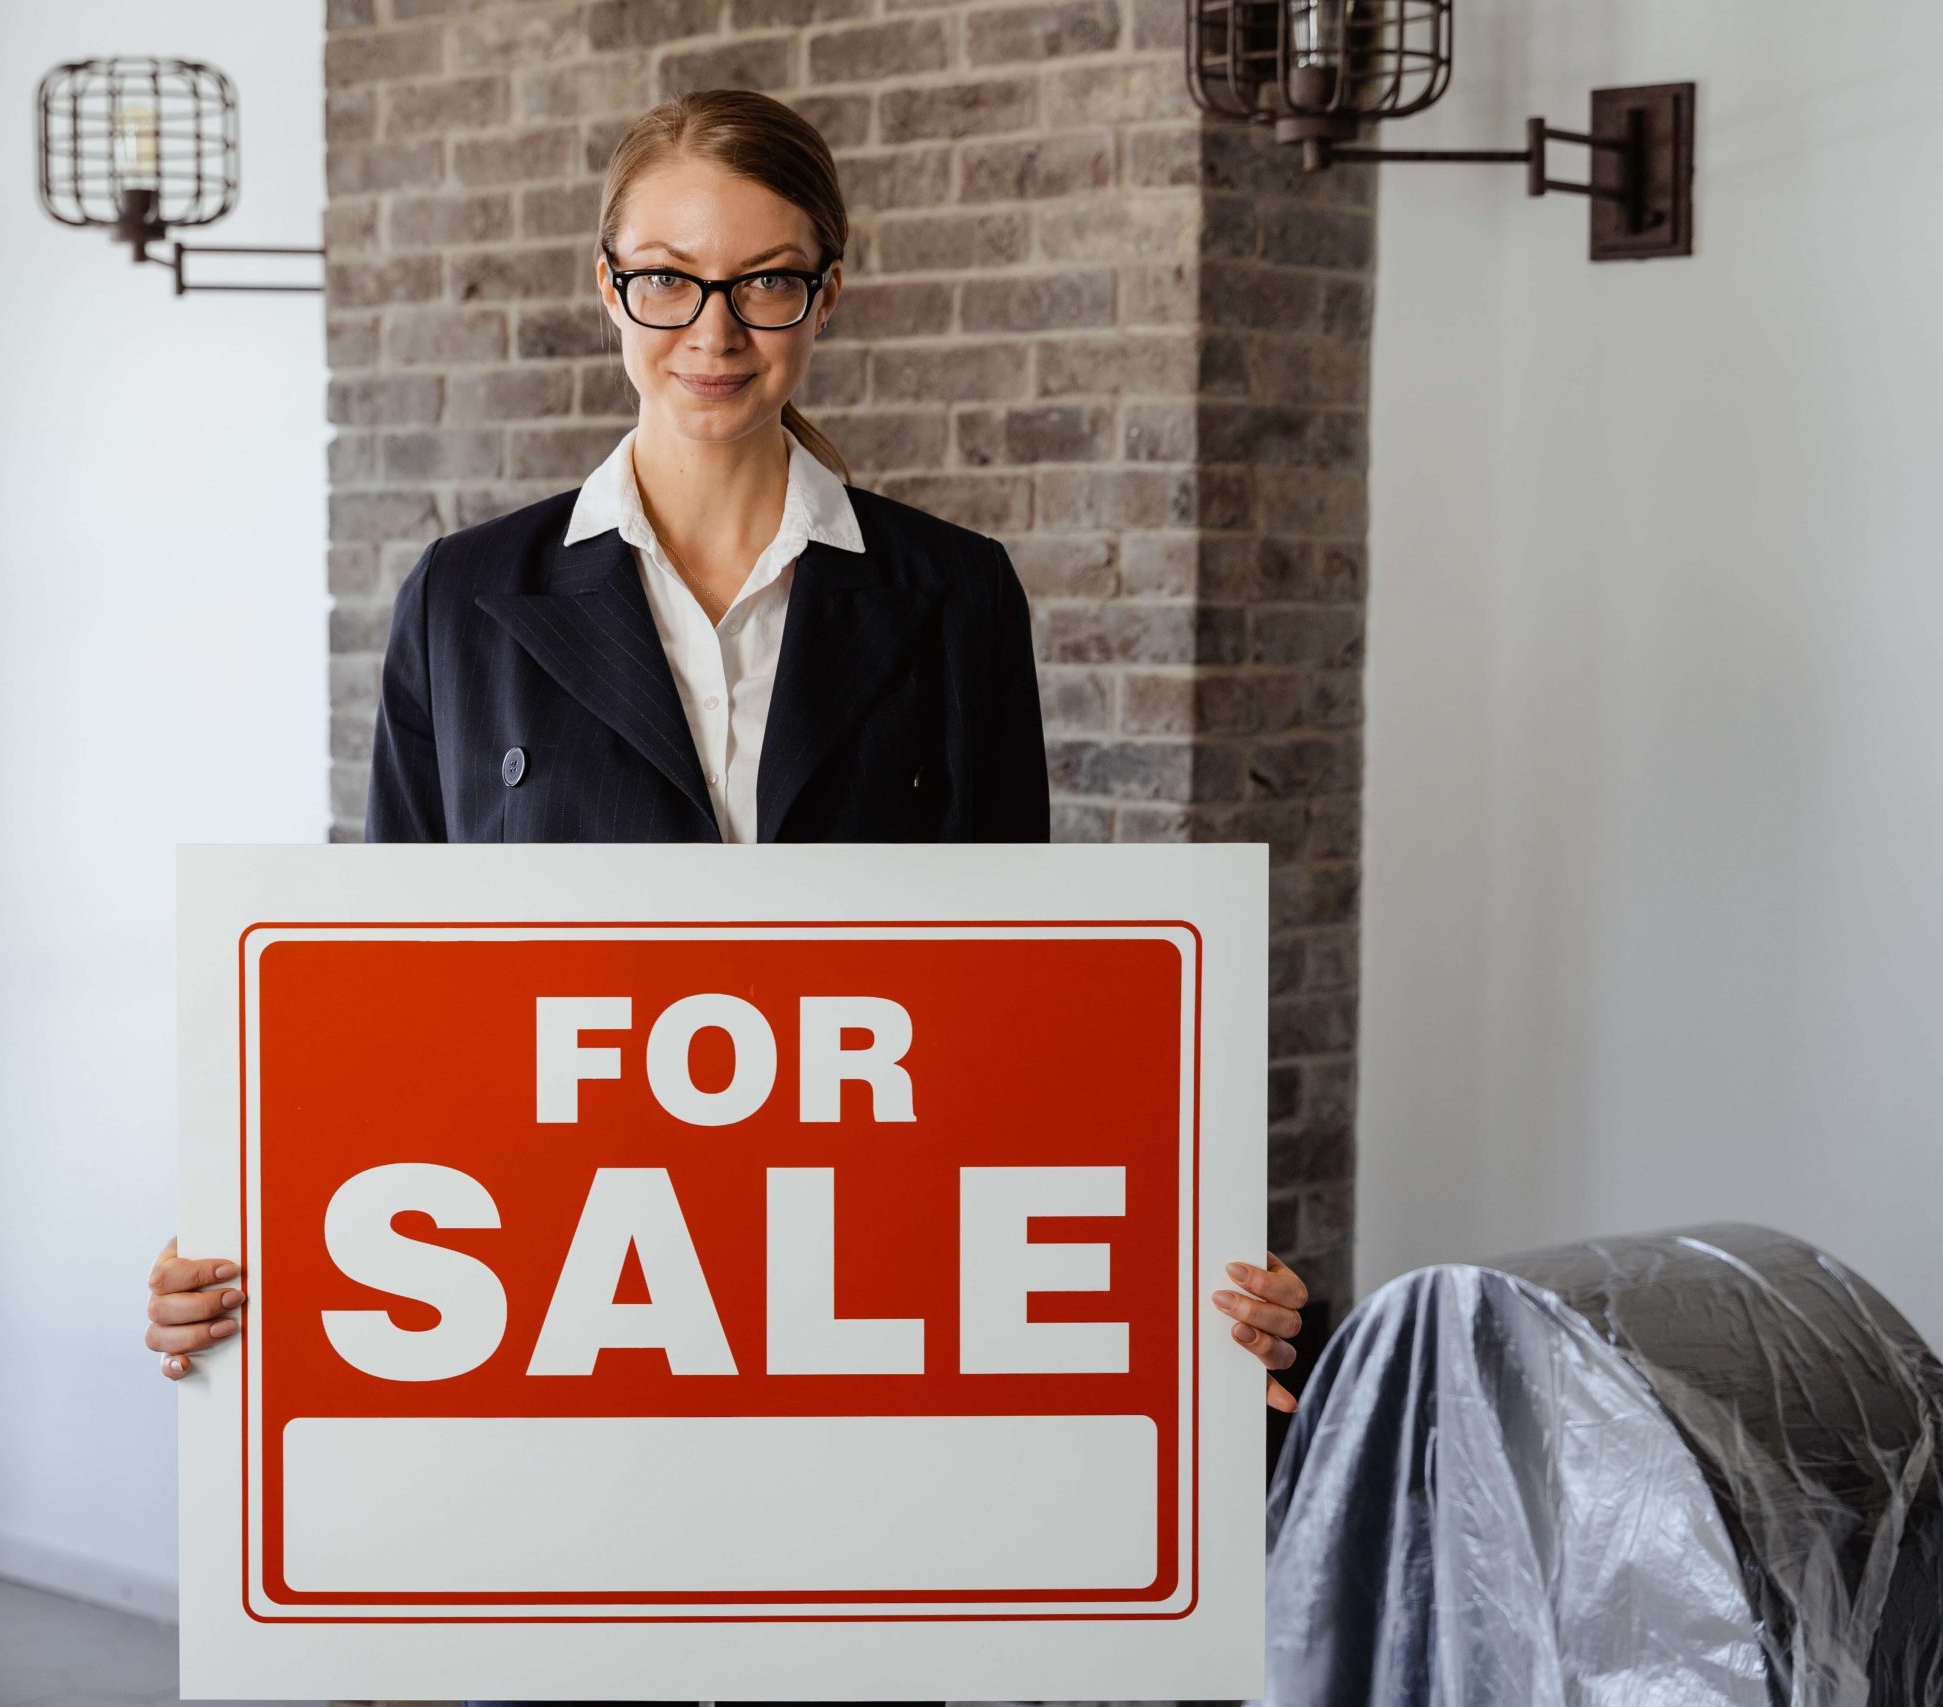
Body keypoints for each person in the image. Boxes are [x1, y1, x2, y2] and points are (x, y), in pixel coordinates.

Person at [146, 75, 1304, 1554]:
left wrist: (1191, 1276)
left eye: (764, 281)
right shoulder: (466, 602)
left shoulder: (952, 598)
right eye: (669, 280)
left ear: (827, 289)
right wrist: (243, 1253)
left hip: (861, 1311)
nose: (713, 331)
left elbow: (1024, 1015)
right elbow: (392, 1009)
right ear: (607, 283)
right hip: (553, 1318)